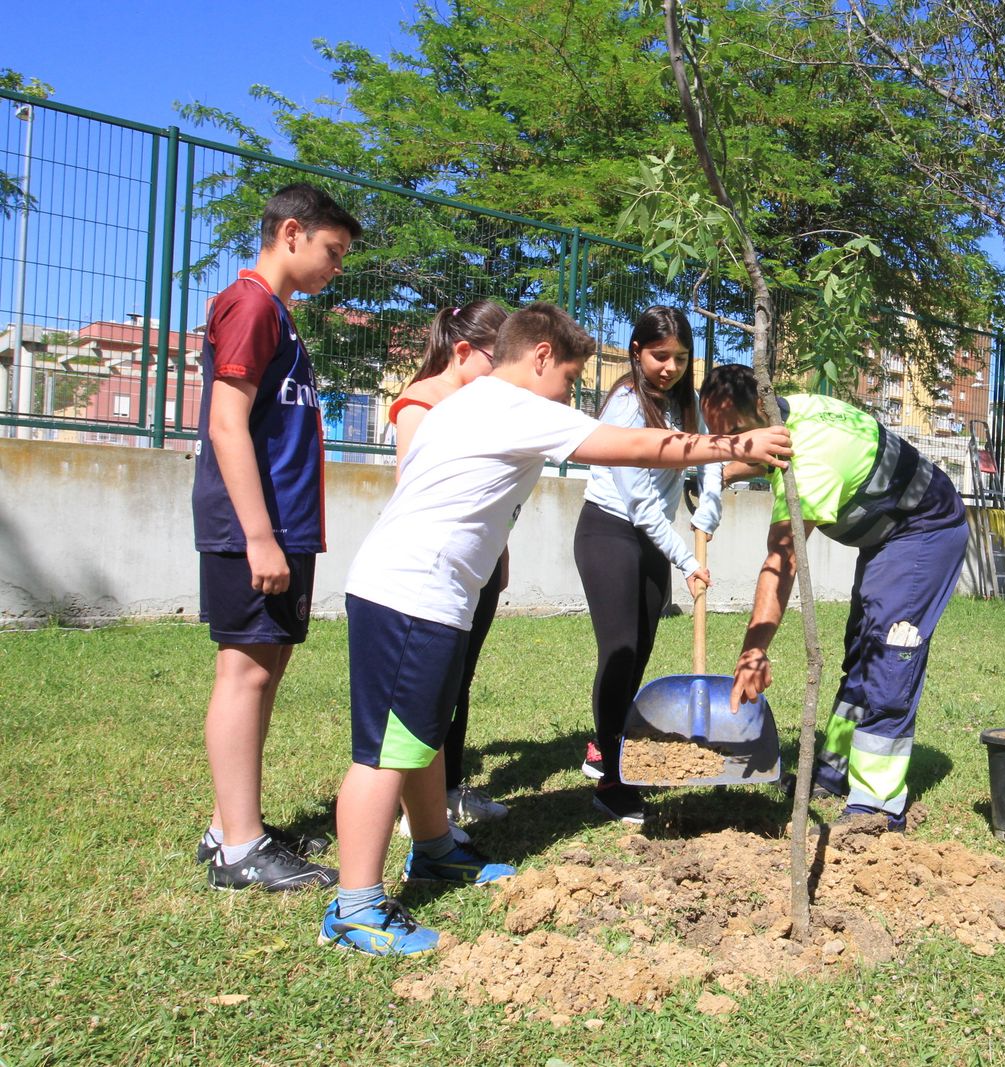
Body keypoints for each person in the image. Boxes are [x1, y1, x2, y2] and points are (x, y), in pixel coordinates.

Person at [321, 302, 790, 956]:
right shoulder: (514, 404)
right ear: (540, 356)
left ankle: (433, 850)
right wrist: (735, 444)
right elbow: (634, 446)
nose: (571, 393)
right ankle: (356, 907)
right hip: (413, 595)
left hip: (424, 591)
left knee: (420, 736)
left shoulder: (469, 401)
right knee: (385, 751)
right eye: (569, 378)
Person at [700, 364, 969, 832]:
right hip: (887, 536)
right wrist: (721, 473)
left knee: (890, 653)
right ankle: (833, 770)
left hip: (925, 530)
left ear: (763, 417)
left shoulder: (812, 458)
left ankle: (877, 806)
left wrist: (754, 650)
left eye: (735, 436)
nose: (730, 446)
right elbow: (756, 453)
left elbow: (782, 561)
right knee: (862, 650)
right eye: (718, 438)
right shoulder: (790, 413)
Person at [192, 183, 361, 892]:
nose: (336, 267)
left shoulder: (279, 314)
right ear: (291, 232)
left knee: (268, 670)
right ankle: (239, 848)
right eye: (332, 251)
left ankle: (231, 824)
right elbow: (226, 424)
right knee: (245, 671)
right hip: (251, 530)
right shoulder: (252, 304)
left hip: (286, 528)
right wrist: (259, 536)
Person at [574, 306, 723, 826]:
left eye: (681, 358)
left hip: (652, 541)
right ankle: (612, 782)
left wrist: (712, 499)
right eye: (661, 356)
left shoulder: (683, 401)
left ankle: (604, 746)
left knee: (640, 651)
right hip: (610, 531)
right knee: (619, 648)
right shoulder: (626, 405)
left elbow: (710, 455)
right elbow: (640, 506)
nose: (671, 367)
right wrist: (685, 558)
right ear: (637, 351)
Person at [389, 300, 511, 838]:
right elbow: (416, 496)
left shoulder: (481, 407)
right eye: (497, 359)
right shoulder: (420, 404)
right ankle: (408, 807)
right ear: (464, 351)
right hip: (429, 574)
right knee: (426, 687)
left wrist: (499, 556)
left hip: (476, 568)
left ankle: (449, 789)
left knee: (458, 682)